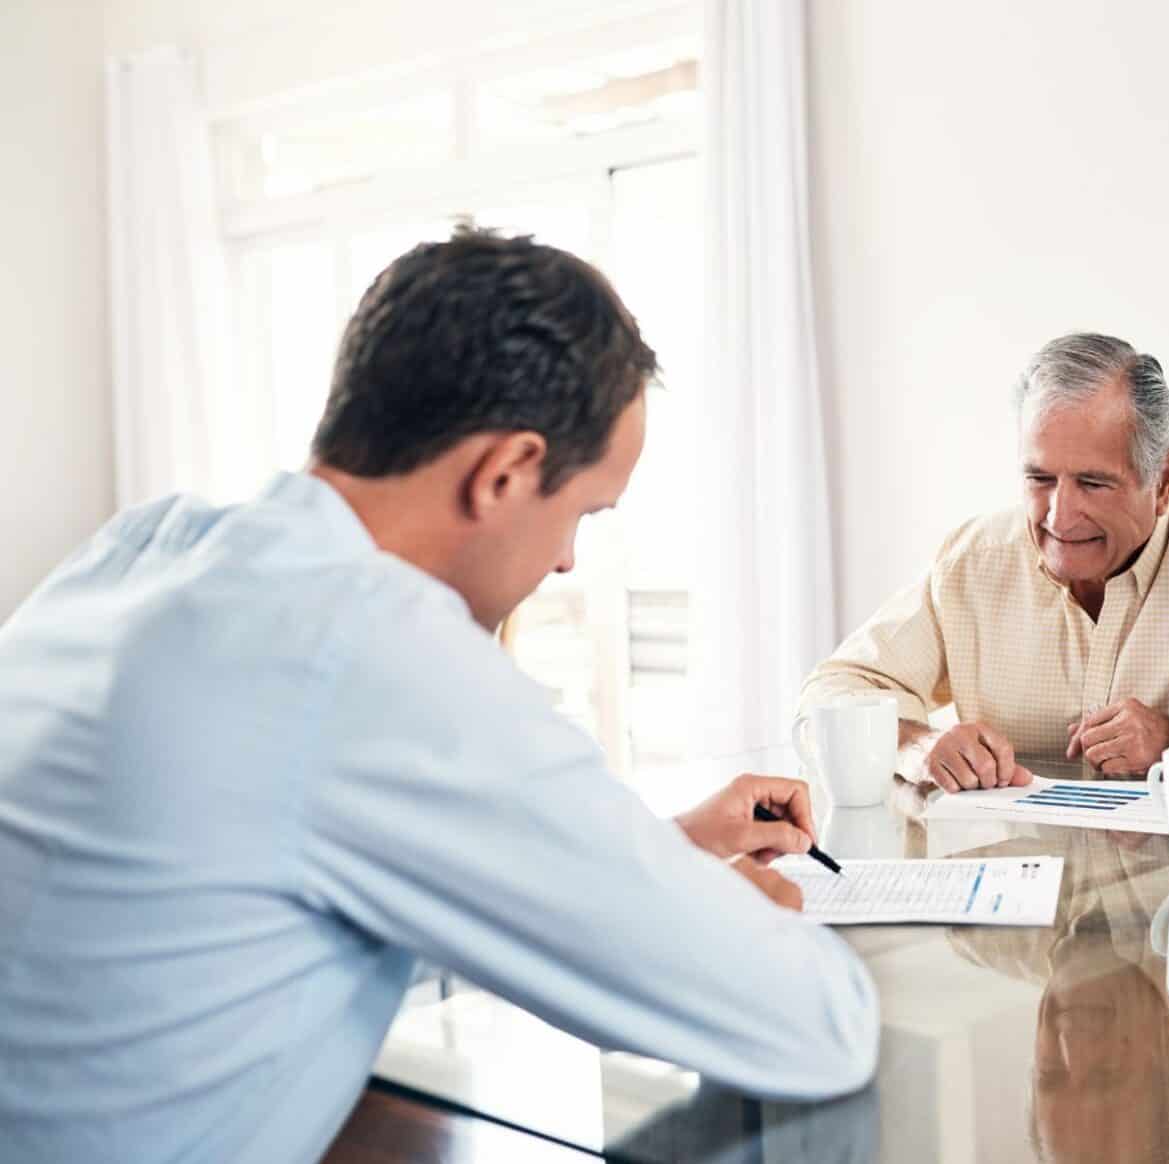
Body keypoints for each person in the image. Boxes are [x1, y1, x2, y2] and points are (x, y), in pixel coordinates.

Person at [0, 229, 878, 1163]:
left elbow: (269, 893)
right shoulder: (368, 646)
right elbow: (815, 1025)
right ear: (502, 472)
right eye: (580, 513)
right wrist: (728, 921)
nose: (566, 559)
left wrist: (659, 858)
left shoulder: (149, 548)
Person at [799, 333, 1169, 791]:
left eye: (1092, 483)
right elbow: (829, 695)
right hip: (1012, 886)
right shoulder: (973, 564)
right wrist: (919, 745)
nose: (1059, 517)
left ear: (1165, 480)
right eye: (1039, 479)